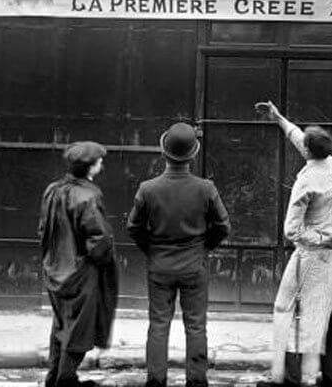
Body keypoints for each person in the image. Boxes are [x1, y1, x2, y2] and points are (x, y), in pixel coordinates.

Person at [256, 101, 332, 387]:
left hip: (313, 258)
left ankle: (290, 379)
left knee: (291, 313)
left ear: (309, 152)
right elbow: (300, 139)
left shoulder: (307, 182)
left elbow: (291, 230)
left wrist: (323, 239)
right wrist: (279, 119)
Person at [127, 122, 230, 387]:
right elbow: (223, 227)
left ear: (164, 153)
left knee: (158, 325)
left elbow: (133, 227)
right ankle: (196, 381)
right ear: (193, 155)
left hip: (159, 265)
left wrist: (151, 249)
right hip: (194, 264)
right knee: (196, 325)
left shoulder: (147, 188)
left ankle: (156, 381)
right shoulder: (205, 188)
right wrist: (203, 247)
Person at [38, 141, 119, 387]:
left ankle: (54, 377)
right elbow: (99, 238)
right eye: (99, 161)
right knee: (79, 328)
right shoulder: (88, 196)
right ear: (90, 167)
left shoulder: (53, 190)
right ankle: (65, 380)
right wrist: (101, 261)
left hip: (56, 269)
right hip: (81, 272)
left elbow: (43, 229)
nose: (102, 164)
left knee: (61, 324)